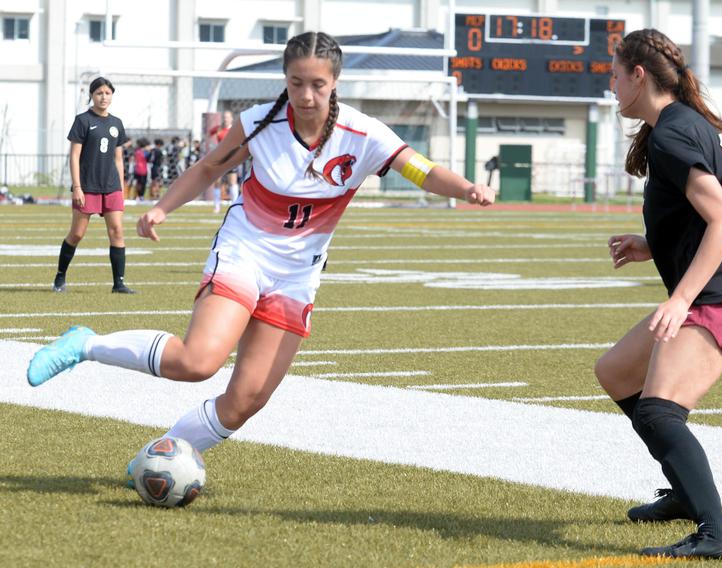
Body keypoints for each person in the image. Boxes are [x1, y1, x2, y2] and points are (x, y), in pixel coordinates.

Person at [26, 31, 494, 480]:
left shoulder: (363, 134)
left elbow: (422, 170)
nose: (306, 95)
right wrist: (162, 208)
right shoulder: (258, 123)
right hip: (244, 251)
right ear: (284, 80)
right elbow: (208, 168)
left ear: (335, 83)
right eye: (295, 83)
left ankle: (154, 462)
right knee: (197, 362)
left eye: (318, 85)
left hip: (297, 276)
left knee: (244, 401)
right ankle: (84, 344)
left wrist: (467, 188)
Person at [593, 29, 722, 560]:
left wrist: (680, 300)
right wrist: (652, 244)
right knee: (617, 372)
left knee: (657, 412)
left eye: (615, 74)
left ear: (639, 76)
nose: (612, 85)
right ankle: (683, 491)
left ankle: (716, 533)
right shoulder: (682, 125)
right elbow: (718, 215)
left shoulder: (674, 133)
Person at [54, 76, 136, 294]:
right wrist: (77, 187)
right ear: (92, 95)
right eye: (99, 93)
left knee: (117, 231)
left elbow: (119, 159)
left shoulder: (116, 123)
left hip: (111, 187)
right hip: (87, 186)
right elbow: (74, 156)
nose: (104, 97)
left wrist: (120, 189)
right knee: (77, 234)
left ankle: (118, 283)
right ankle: (60, 277)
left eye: (107, 93)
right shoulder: (82, 120)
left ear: (112, 96)